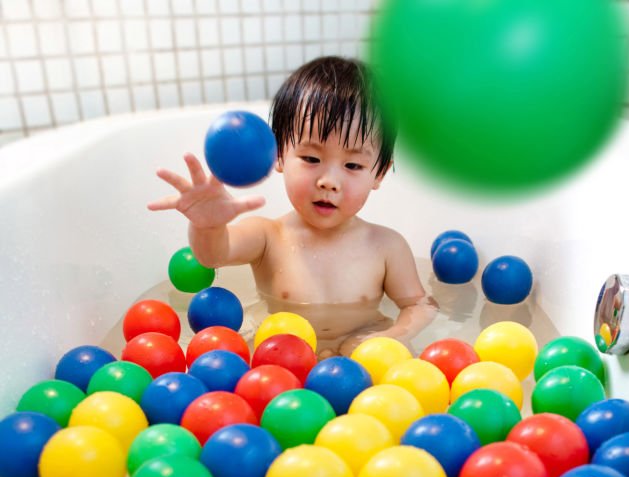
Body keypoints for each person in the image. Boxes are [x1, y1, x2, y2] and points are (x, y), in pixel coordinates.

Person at [149, 56, 437, 357]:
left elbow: (419, 305)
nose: (329, 181)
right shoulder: (266, 236)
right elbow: (211, 255)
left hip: (361, 363)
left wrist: (392, 337)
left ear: (378, 174)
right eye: (311, 159)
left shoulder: (387, 247)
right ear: (279, 154)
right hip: (282, 364)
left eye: (352, 165)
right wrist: (207, 225)